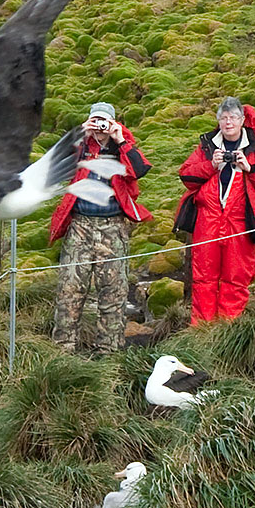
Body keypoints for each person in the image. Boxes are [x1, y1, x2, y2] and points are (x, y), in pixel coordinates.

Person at [49, 102, 153, 354]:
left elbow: (139, 170)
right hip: (80, 226)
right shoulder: (82, 147)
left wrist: (119, 140)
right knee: (69, 291)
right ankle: (63, 350)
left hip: (113, 226)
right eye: (95, 121)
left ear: (114, 123)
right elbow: (53, 167)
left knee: (113, 294)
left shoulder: (122, 146)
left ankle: (108, 352)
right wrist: (78, 135)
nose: (99, 128)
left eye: (104, 122)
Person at [175, 98, 255, 324]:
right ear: (218, 121)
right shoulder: (207, 147)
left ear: (242, 120)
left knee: (236, 277)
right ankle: (202, 331)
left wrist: (249, 168)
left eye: (233, 117)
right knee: (204, 277)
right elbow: (186, 176)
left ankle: (227, 330)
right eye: (223, 117)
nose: (228, 122)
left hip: (240, 221)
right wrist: (211, 165)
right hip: (208, 219)